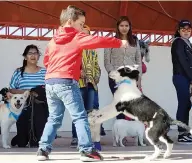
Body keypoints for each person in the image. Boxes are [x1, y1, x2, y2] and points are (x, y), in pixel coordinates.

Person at [36, 5, 128, 162]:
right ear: (71, 22)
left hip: (50, 82)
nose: (82, 27)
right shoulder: (76, 37)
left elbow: (46, 61)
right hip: (67, 82)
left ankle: (43, 150)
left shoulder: (52, 40)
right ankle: (86, 150)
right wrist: (120, 43)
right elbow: (98, 40)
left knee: (54, 118)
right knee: (80, 117)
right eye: (81, 24)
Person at [8, 44, 48, 147]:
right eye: (30, 53)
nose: (33, 55)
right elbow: (11, 89)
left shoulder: (44, 72)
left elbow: (49, 89)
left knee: (36, 143)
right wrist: (28, 92)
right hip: (23, 109)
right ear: (25, 57)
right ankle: (20, 136)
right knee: (22, 143)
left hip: (40, 109)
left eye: (35, 53)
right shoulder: (18, 72)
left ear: (39, 56)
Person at [104, 16, 142, 120]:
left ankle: (133, 131)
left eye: (126, 26)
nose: (124, 28)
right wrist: (114, 75)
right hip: (116, 78)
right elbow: (107, 61)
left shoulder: (135, 41)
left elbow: (138, 60)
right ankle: (121, 132)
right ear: (117, 27)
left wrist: (139, 79)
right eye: (121, 25)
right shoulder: (111, 40)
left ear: (130, 27)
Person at [70, 25, 102, 147]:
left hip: (91, 83)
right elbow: (72, 64)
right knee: (78, 110)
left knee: (90, 111)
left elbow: (96, 66)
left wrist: (96, 76)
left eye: (87, 33)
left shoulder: (93, 49)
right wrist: (79, 71)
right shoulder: (74, 48)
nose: (85, 36)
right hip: (78, 84)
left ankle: (89, 136)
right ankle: (75, 136)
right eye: (82, 33)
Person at [171, 20, 192, 144]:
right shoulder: (178, 42)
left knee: (188, 105)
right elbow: (183, 62)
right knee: (183, 104)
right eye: (183, 29)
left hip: (188, 78)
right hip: (181, 77)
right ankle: (182, 134)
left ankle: (186, 132)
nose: (186, 32)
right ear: (178, 30)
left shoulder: (188, 43)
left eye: (188, 29)